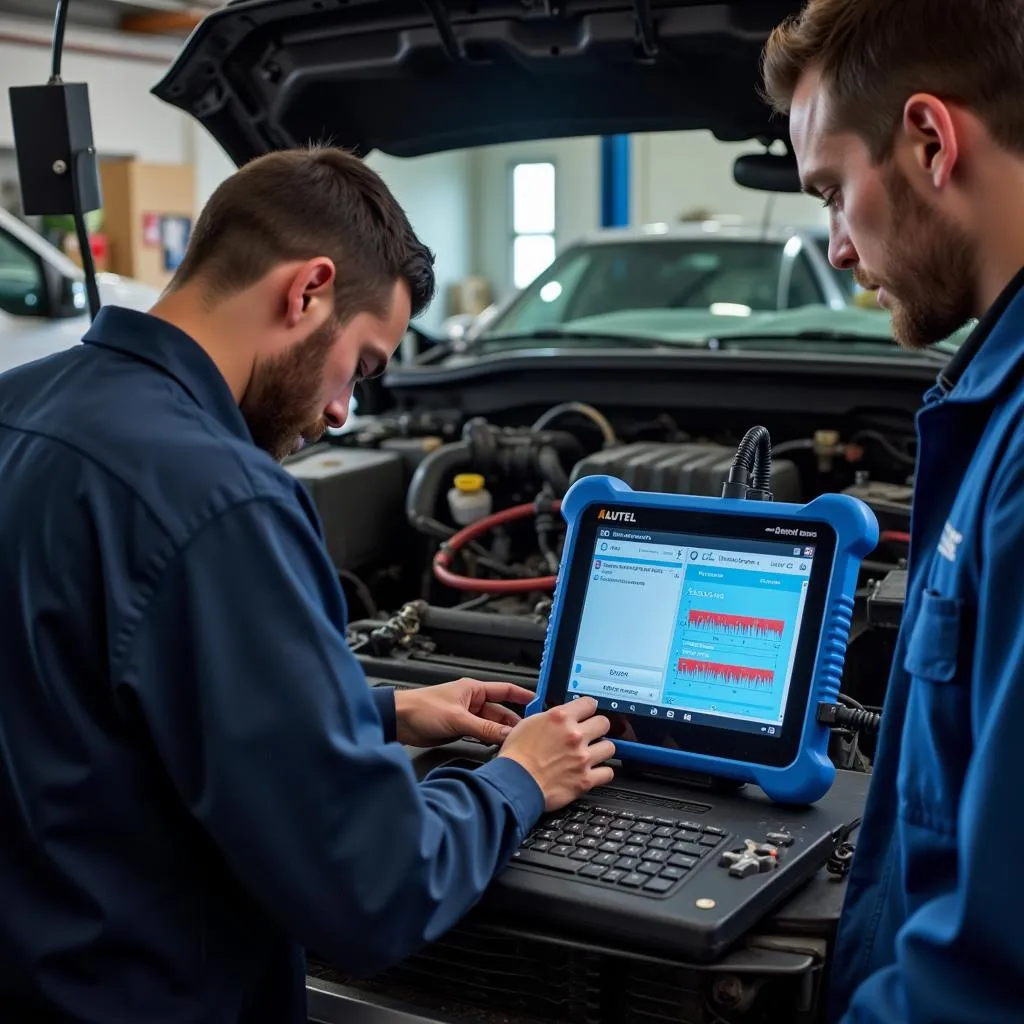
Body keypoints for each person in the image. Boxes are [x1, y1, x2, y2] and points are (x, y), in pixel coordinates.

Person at [0, 147, 615, 1022]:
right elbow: (374, 889)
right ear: (307, 291)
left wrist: (381, 710)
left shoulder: (16, 407)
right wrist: (519, 776)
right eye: (361, 367)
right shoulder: (224, 501)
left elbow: (80, 700)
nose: (342, 413)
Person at [761, 1, 1024, 1020]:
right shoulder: (989, 407)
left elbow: (991, 970)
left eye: (831, 192)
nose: (834, 245)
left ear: (927, 138)